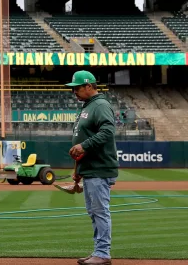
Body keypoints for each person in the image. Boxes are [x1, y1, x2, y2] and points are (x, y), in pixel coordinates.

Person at [66, 70, 119, 265]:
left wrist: (83, 145)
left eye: (77, 88)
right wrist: (78, 169)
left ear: (89, 86)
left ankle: (103, 253)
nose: (74, 92)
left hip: (100, 167)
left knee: (99, 211)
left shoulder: (101, 105)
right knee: (94, 212)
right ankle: (99, 251)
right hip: (89, 168)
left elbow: (108, 131)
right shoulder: (88, 106)